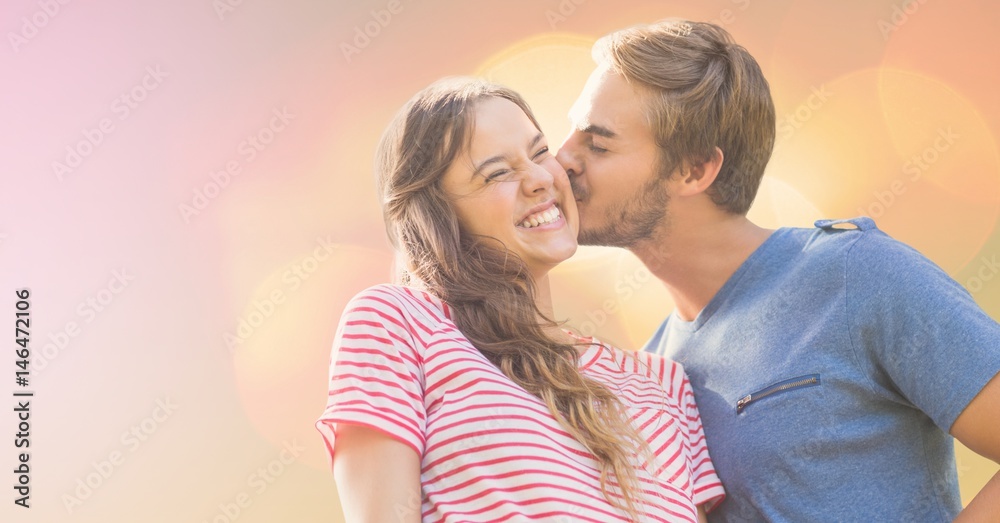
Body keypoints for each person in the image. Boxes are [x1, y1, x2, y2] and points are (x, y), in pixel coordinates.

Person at [555, 18, 1000, 522]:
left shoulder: (857, 275)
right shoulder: (651, 373)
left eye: (598, 144)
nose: (560, 158)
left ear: (694, 170)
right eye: (572, 133)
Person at [315, 77, 725, 522]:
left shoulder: (664, 384)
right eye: (497, 172)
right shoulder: (399, 324)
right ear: (439, 215)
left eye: (539, 152)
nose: (539, 179)